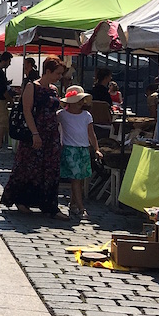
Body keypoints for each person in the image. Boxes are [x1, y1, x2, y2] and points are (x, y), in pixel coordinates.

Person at [1, 55, 70, 220]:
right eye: (57, 73)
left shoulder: (53, 89)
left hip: (51, 134)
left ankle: (50, 205)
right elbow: (27, 111)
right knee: (28, 167)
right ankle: (21, 200)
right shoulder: (33, 87)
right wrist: (35, 133)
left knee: (51, 169)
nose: (59, 77)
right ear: (48, 71)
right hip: (36, 132)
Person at [57, 85, 102, 218]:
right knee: (76, 179)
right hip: (70, 149)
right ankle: (81, 208)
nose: (81, 103)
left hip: (83, 149)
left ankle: (73, 204)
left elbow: (91, 133)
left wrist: (96, 149)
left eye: (82, 100)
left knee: (80, 179)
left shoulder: (86, 115)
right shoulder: (62, 115)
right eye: (78, 100)